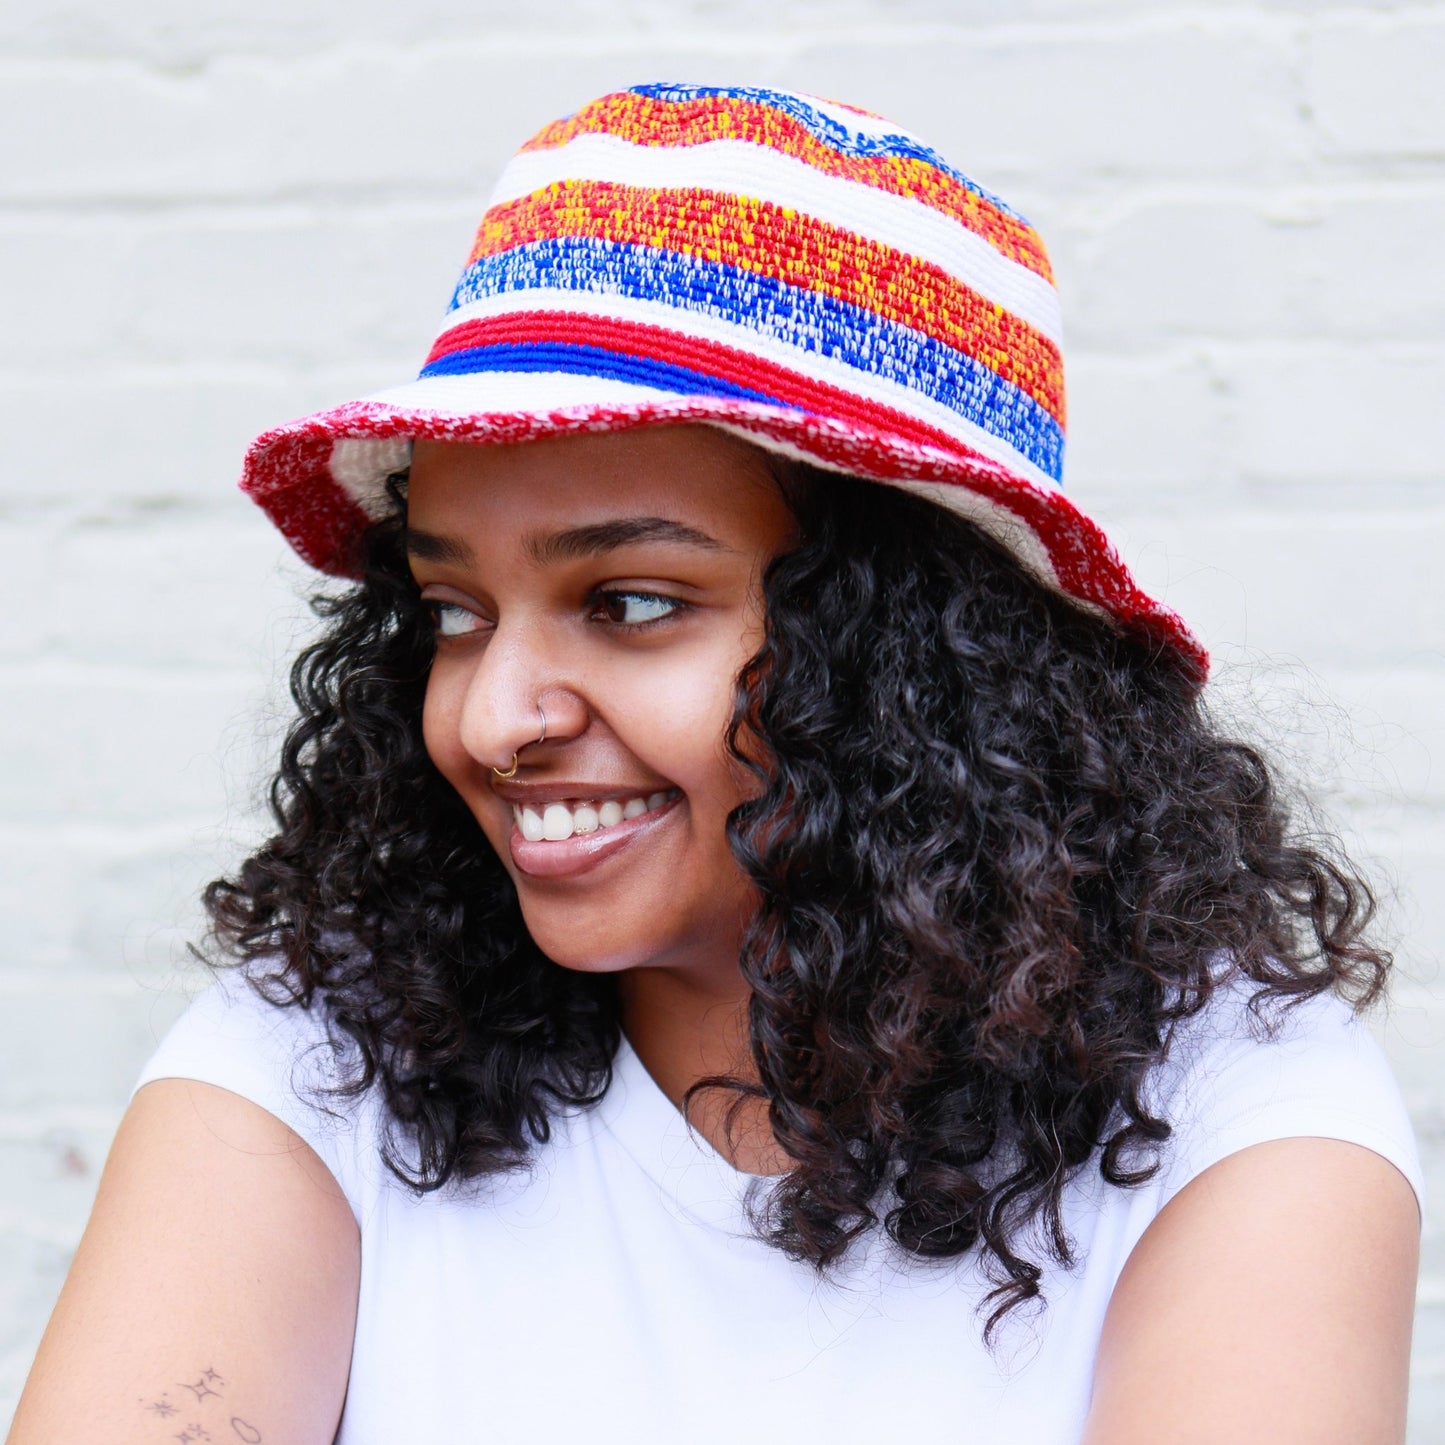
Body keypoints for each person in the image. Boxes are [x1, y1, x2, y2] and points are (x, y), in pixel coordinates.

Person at [9, 83, 1421, 1445]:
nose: (496, 717)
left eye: (628, 602)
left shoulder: (1228, 1109)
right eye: (454, 612)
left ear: (919, 657)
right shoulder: (325, 1046)